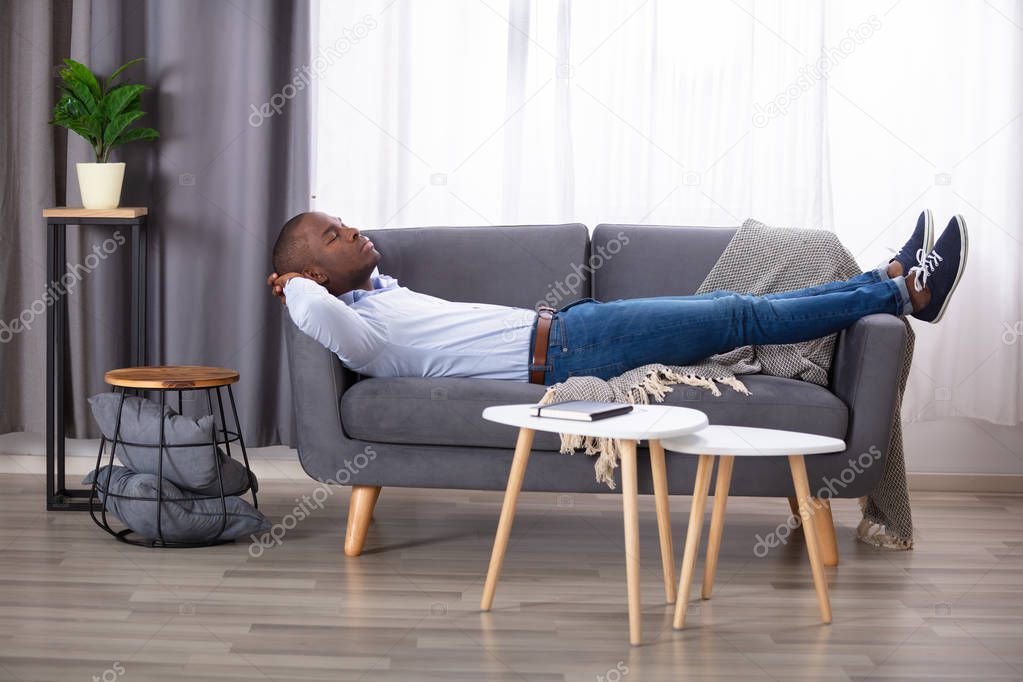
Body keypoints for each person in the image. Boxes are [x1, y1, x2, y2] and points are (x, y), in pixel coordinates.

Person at [266, 211, 967, 386]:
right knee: (739, 314)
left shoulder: (379, 297)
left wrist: (313, 273)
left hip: (572, 330)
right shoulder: (360, 333)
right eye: (333, 235)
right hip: (571, 352)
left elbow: (341, 290)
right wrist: (293, 285)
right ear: (312, 277)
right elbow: (317, 315)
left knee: (734, 304)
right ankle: (904, 293)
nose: (352, 230)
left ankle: (886, 276)